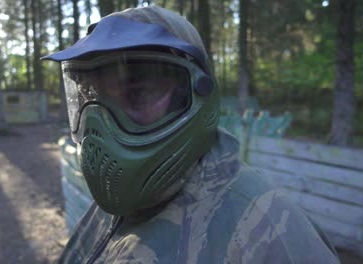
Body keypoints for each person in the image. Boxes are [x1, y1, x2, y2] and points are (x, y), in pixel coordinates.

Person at [43, 6, 340, 264]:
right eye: (89, 97)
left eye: (136, 95)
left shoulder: (269, 230)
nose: (101, 126)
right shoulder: (121, 203)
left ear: (197, 95)